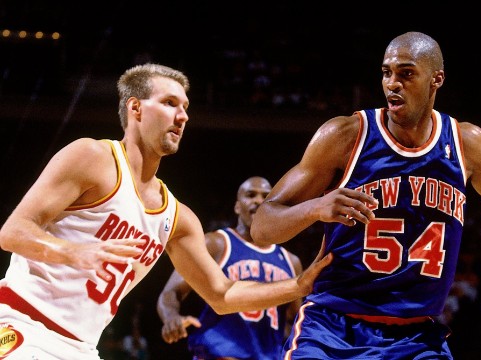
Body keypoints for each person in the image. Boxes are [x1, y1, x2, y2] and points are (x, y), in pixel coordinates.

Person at [250, 31, 481, 359]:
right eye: (386, 73)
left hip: (417, 338)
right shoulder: (345, 136)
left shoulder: (467, 144)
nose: (392, 83)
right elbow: (263, 226)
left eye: (406, 73)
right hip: (333, 328)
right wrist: (315, 207)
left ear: (436, 79)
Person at [0, 63, 331, 360]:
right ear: (136, 109)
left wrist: (299, 286)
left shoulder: (179, 218)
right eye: (170, 103)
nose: (183, 116)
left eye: (185, 107)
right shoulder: (92, 157)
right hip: (22, 324)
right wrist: (74, 252)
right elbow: (13, 231)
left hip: (82, 347)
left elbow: (223, 293)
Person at [157, 176, 304, 360]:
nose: (258, 201)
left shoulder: (291, 261)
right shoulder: (217, 243)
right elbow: (170, 293)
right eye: (251, 195)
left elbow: (293, 323)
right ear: (237, 207)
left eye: (266, 197)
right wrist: (171, 317)